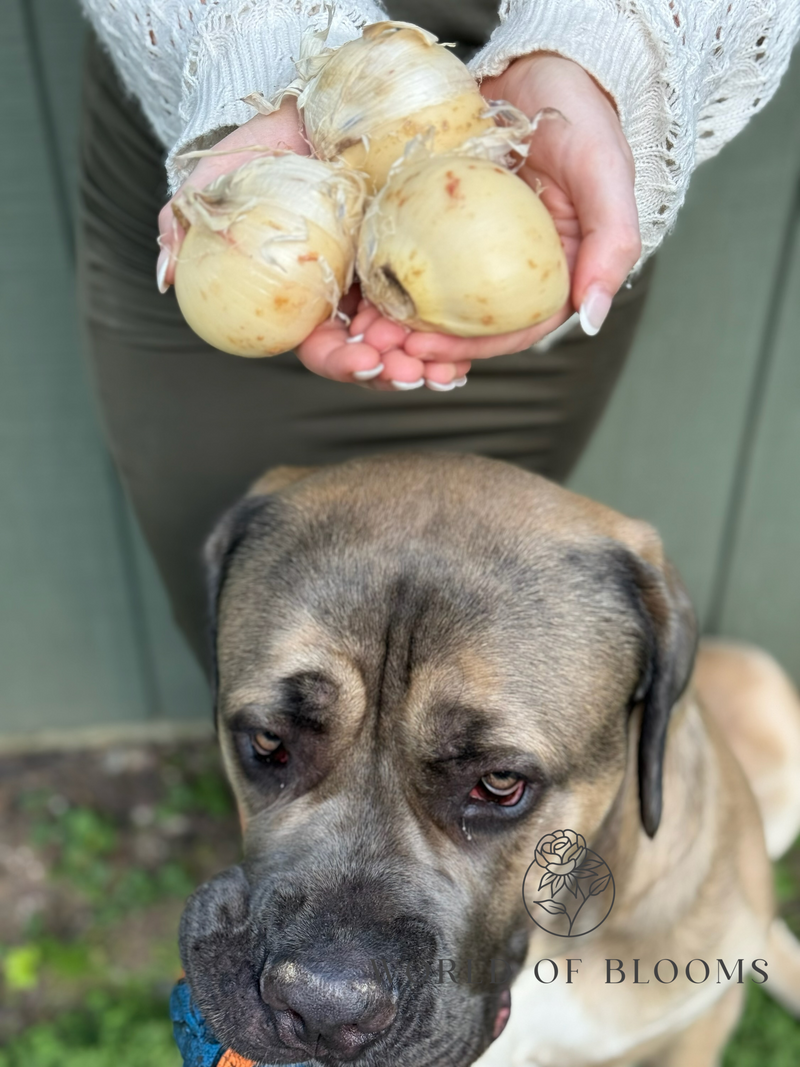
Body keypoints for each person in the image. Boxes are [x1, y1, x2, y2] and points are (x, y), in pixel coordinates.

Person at [76, 0, 800, 665]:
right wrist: (255, 43)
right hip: (226, 128)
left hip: (529, 162)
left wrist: (606, 42)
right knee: (258, 646)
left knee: (478, 662)